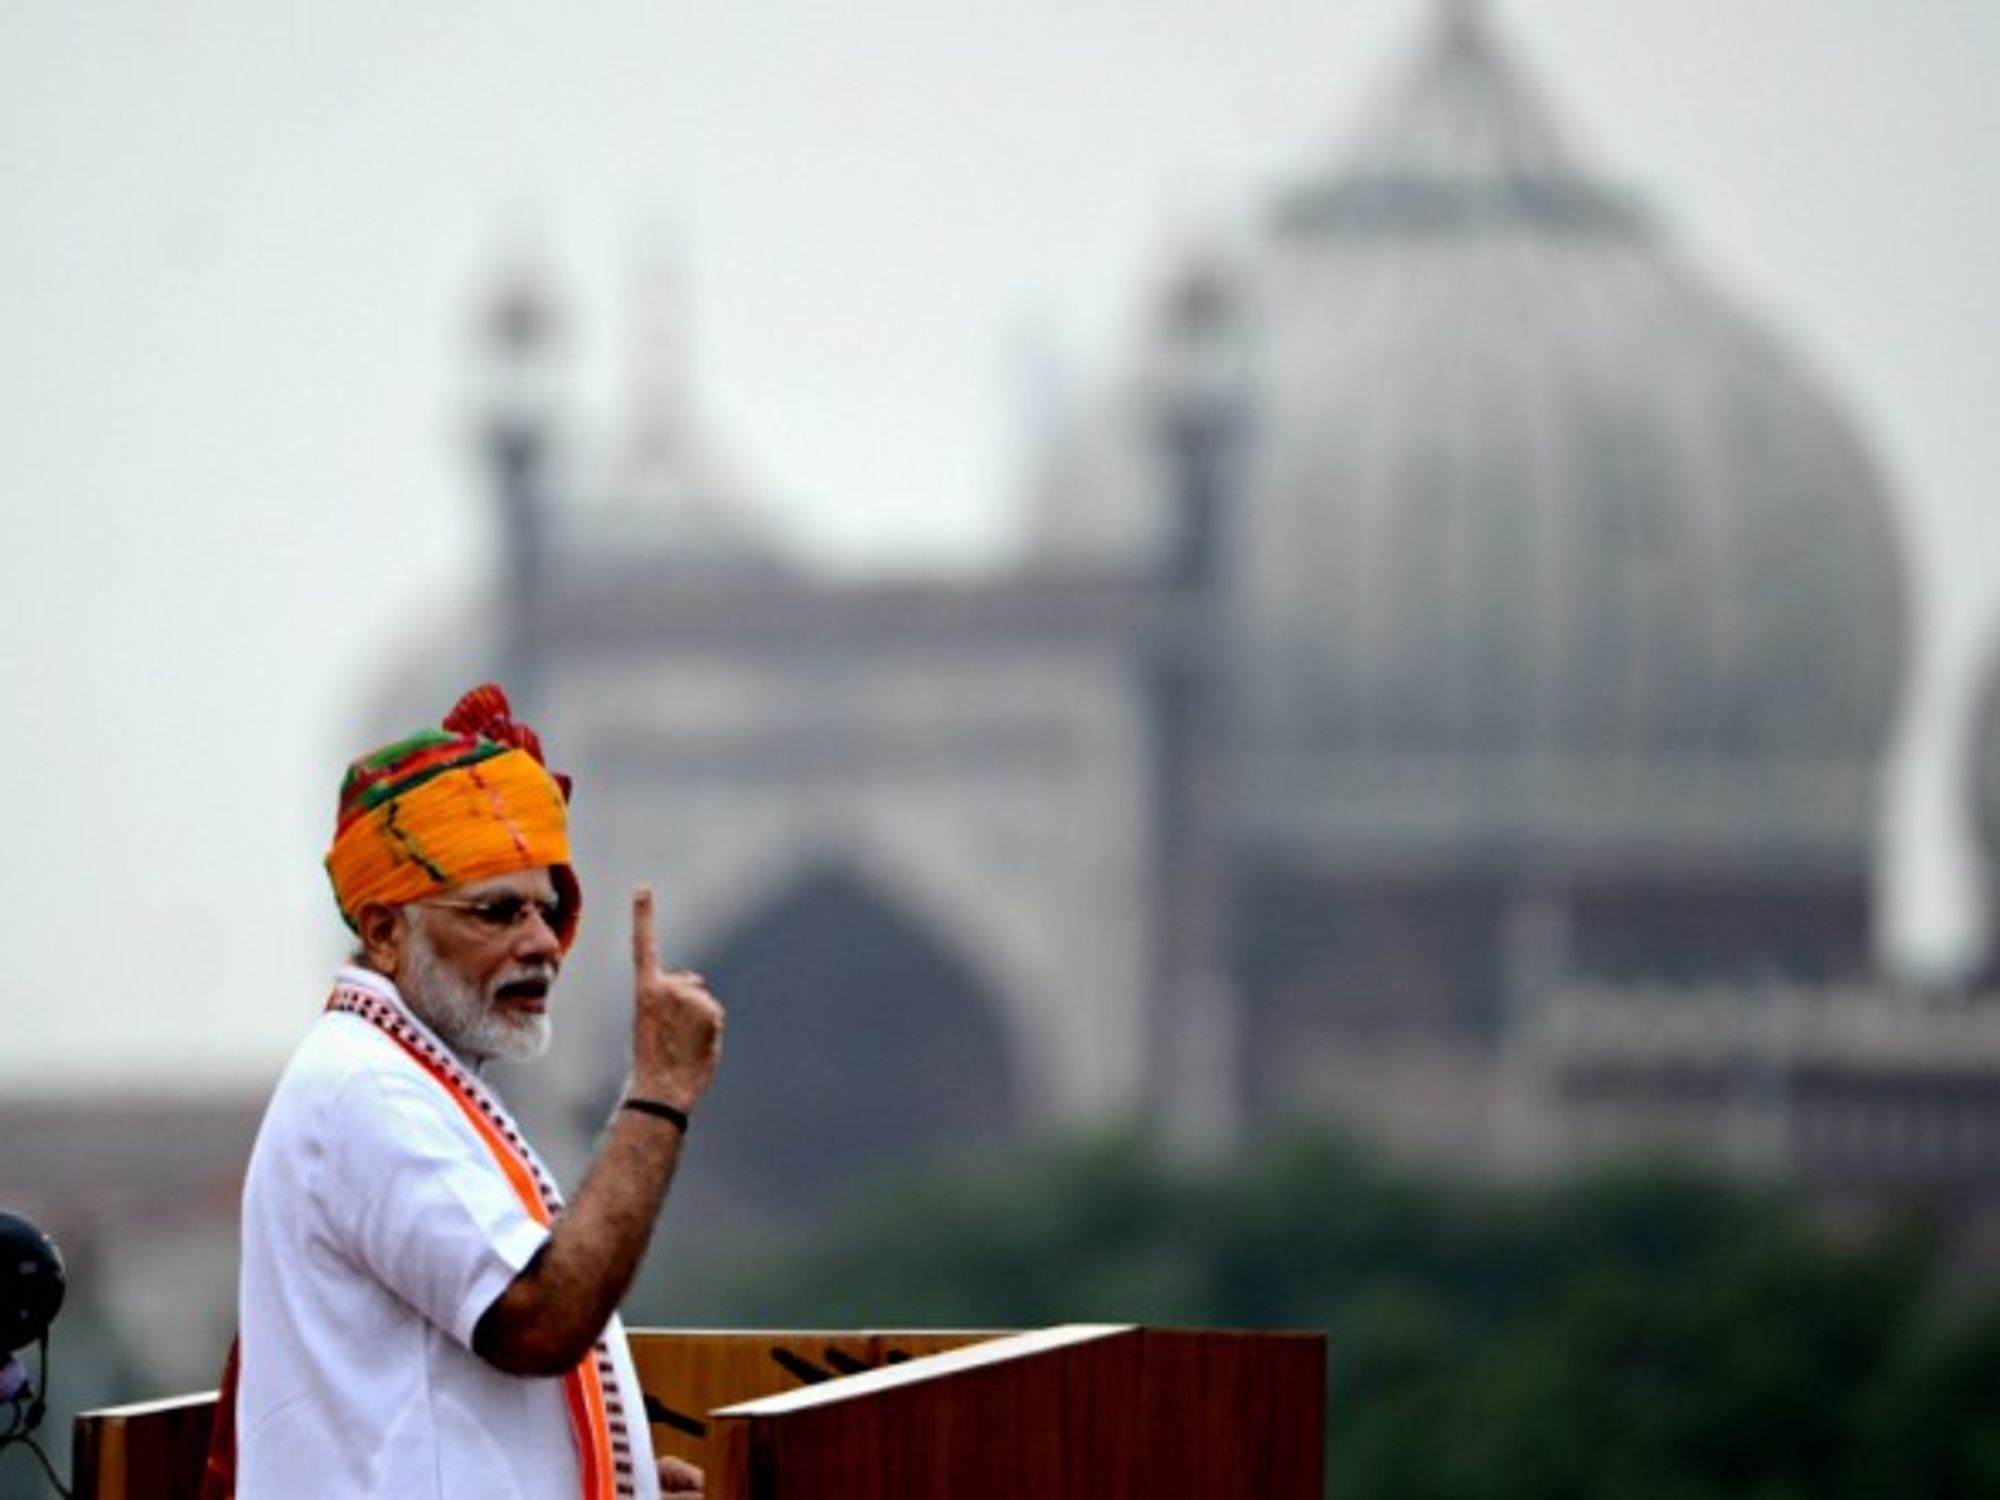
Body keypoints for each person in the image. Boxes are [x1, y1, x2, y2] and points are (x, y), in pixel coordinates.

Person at [230, 684, 723, 1498]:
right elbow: (539, 1318)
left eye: (548, 908)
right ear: (388, 934)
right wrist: (659, 1091)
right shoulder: (368, 1091)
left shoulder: (415, 1080)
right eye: (495, 912)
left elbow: (441, 1404)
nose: (540, 943)